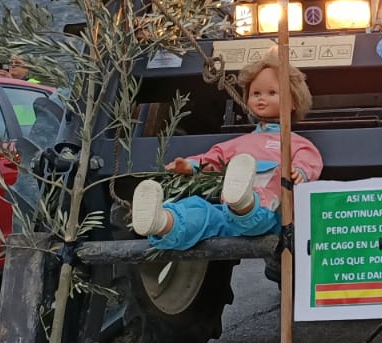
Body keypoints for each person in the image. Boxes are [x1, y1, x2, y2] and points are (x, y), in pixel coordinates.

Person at [129, 48, 323, 250]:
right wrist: (192, 165)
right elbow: (216, 157)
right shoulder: (241, 143)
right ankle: (162, 221)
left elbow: (309, 158)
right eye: (255, 93)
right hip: (227, 213)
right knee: (201, 213)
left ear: (293, 101)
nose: (261, 98)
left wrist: (300, 171)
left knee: (255, 204)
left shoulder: (294, 142)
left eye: (271, 93)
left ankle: (244, 201)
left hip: (270, 212)